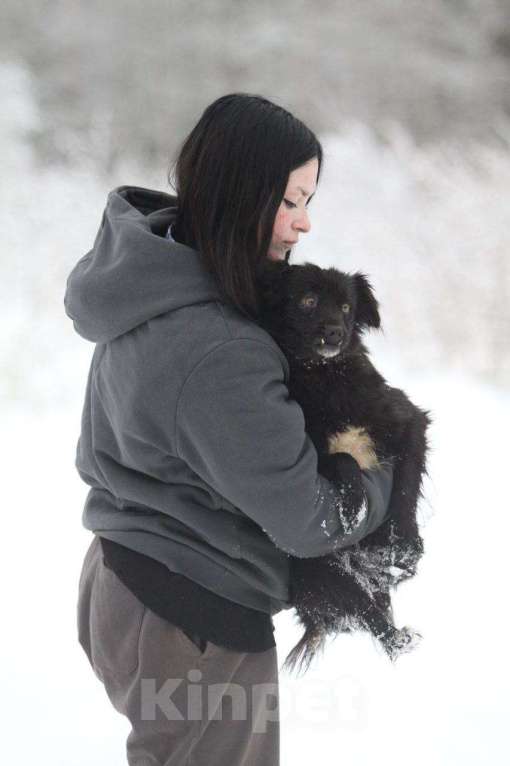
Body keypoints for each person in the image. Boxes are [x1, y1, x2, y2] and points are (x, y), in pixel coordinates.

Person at [65, 93, 394, 766]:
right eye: (293, 199)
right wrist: (378, 465)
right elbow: (310, 519)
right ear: (246, 192)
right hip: (193, 615)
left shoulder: (155, 278)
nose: (305, 224)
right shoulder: (219, 346)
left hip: (126, 578)